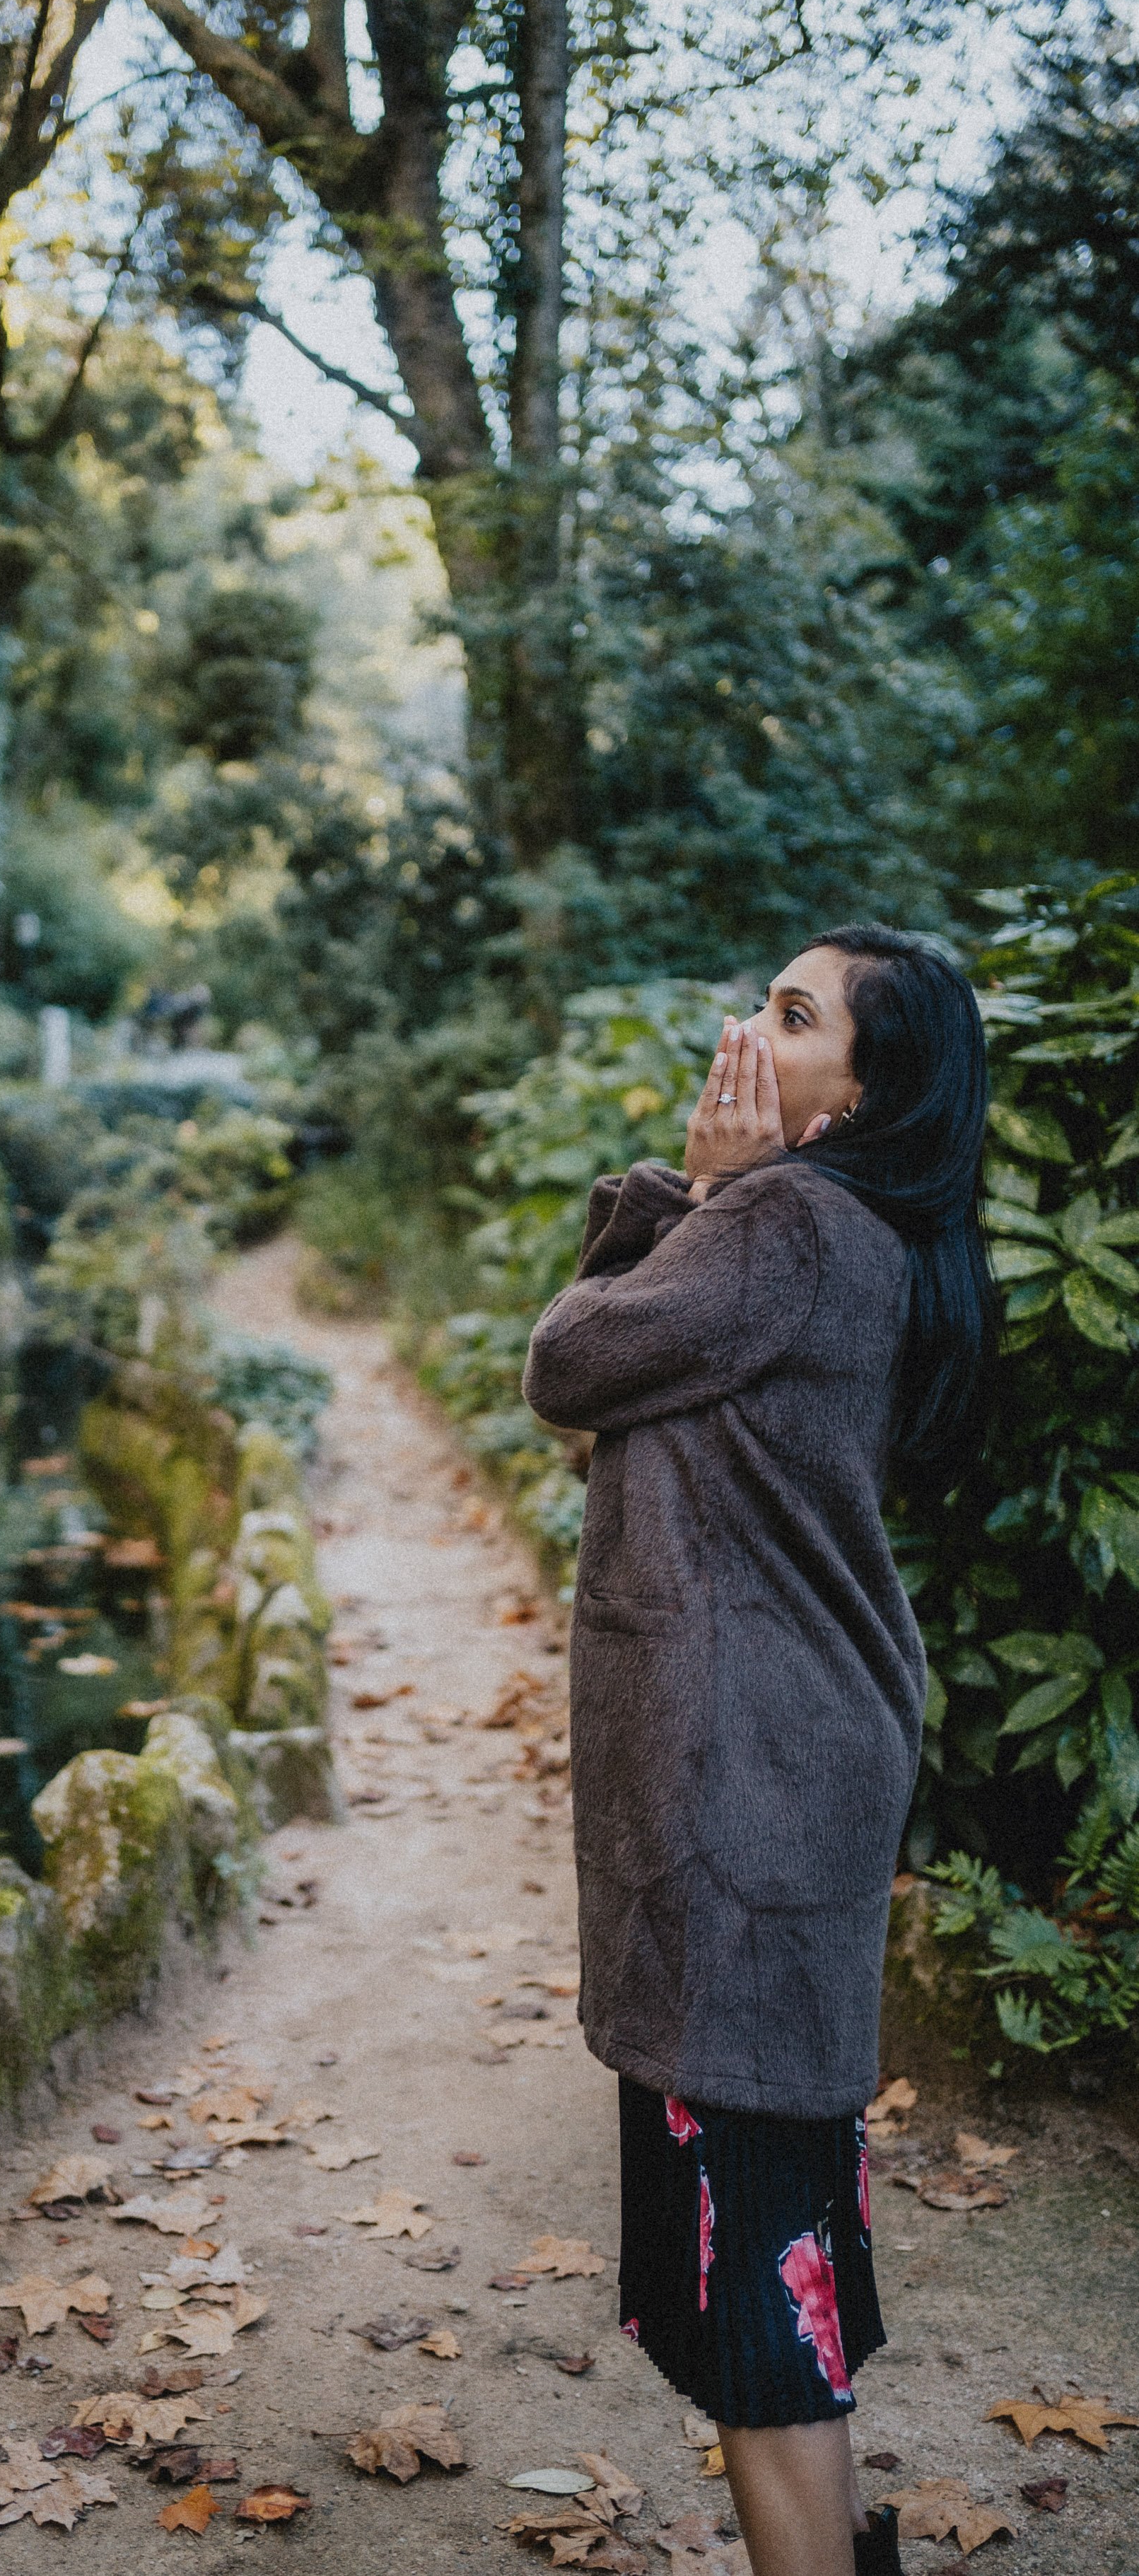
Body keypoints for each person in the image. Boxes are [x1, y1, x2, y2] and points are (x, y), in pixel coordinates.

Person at [522, 926, 995, 2576]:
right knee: (773, 2235)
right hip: (787, 1765)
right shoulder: (853, 1232)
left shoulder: (784, 1222)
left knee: (751, 2285)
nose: (745, 1026)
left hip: (744, 1782)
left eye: (791, 1016)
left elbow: (566, 1362)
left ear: (860, 1090)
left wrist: (697, 1194)